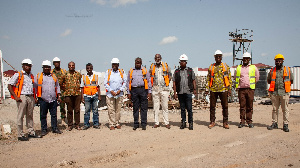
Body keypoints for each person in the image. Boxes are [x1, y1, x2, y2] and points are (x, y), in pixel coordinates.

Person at [8, 59, 41, 141]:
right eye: (26, 65)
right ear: (22, 66)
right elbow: (10, 85)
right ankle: (20, 134)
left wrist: (35, 97)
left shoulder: (31, 76)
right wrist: (15, 96)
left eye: (29, 65)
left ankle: (31, 132)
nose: (28, 67)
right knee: (21, 116)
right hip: (22, 97)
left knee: (30, 115)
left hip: (30, 97)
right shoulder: (18, 74)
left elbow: (34, 87)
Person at [267, 54, 293, 132]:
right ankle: (274, 123)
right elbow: (269, 80)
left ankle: (285, 124)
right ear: (275, 62)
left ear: (282, 61)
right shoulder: (272, 70)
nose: (278, 62)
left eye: (279, 60)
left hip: (284, 92)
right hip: (274, 93)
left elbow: (291, 80)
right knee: (275, 109)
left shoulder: (287, 70)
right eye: (276, 61)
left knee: (285, 109)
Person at [206, 50, 232, 129]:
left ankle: (225, 122)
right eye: (216, 56)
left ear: (221, 57)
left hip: (223, 89)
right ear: (214, 57)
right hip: (213, 90)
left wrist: (229, 89)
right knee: (212, 107)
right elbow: (208, 78)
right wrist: (207, 88)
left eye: (219, 56)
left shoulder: (225, 66)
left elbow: (229, 78)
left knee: (225, 106)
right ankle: (212, 121)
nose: (218, 58)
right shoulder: (211, 67)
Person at [36, 60, 62, 136]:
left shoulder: (53, 76)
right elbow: (35, 87)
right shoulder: (38, 76)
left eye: (48, 67)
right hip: (43, 99)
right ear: (43, 67)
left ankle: (55, 128)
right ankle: (44, 129)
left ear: (50, 67)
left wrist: (59, 96)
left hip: (53, 99)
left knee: (54, 115)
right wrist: (36, 98)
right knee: (43, 115)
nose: (47, 68)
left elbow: (57, 86)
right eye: (45, 67)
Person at [234, 52, 259, 128]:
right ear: (242, 59)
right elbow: (236, 77)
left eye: (247, 59)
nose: (245, 60)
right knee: (242, 106)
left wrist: (251, 84)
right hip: (241, 89)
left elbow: (257, 77)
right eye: (244, 58)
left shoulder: (253, 67)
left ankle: (249, 121)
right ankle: (242, 121)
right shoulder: (238, 68)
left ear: (249, 59)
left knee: (249, 106)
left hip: (250, 89)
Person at [126, 57, 152, 130]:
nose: (138, 63)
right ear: (135, 62)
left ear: (141, 63)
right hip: (134, 91)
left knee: (144, 108)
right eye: (137, 62)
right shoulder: (131, 71)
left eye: (139, 62)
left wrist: (149, 92)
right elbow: (128, 82)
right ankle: (136, 124)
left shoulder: (145, 70)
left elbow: (149, 81)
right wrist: (128, 92)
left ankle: (143, 124)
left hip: (143, 90)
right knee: (135, 108)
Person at [173, 54, 196, 130]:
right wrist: (175, 93)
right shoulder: (177, 71)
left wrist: (194, 89)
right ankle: (183, 122)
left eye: (184, 61)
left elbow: (193, 80)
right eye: (181, 61)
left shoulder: (190, 70)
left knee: (189, 108)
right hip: (180, 93)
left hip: (188, 92)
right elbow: (174, 82)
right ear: (179, 62)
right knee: (182, 109)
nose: (182, 63)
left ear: (186, 62)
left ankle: (190, 123)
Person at [150, 54, 171, 129]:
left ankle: (166, 122)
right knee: (156, 107)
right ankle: (156, 122)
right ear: (154, 59)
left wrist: (165, 84)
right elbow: (150, 77)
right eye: (156, 58)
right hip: (155, 89)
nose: (157, 59)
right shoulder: (152, 67)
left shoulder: (166, 66)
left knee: (165, 106)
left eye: (158, 57)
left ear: (161, 58)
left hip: (164, 89)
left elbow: (170, 76)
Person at [104, 58, 127, 130]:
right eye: (113, 64)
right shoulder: (108, 72)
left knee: (118, 109)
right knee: (111, 109)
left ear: (118, 65)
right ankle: (111, 124)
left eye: (116, 64)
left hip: (119, 94)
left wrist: (120, 90)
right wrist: (111, 91)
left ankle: (117, 123)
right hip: (110, 94)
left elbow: (125, 82)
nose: (114, 66)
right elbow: (105, 83)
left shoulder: (122, 72)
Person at [60, 61, 82, 131]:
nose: (71, 67)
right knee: (69, 110)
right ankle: (70, 125)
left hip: (77, 94)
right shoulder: (65, 74)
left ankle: (77, 124)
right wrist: (65, 89)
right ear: (68, 66)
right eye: (70, 65)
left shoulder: (78, 74)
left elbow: (80, 83)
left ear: (74, 66)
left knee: (77, 110)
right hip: (68, 95)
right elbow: (60, 83)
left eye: (73, 65)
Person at [81, 63, 101, 130]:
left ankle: (96, 123)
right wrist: (82, 97)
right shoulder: (83, 77)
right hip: (87, 96)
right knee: (87, 111)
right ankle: (86, 124)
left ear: (92, 68)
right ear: (86, 69)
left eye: (90, 68)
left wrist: (99, 96)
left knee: (95, 110)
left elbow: (98, 87)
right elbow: (82, 88)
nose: (89, 70)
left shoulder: (95, 76)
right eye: (88, 68)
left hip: (94, 96)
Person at [51, 57, 67, 124]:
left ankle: (63, 118)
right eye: (55, 62)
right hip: (54, 91)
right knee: (53, 106)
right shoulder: (51, 72)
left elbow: (67, 80)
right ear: (53, 63)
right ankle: (55, 120)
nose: (57, 63)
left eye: (58, 62)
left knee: (62, 106)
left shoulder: (63, 71)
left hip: (62, 91)